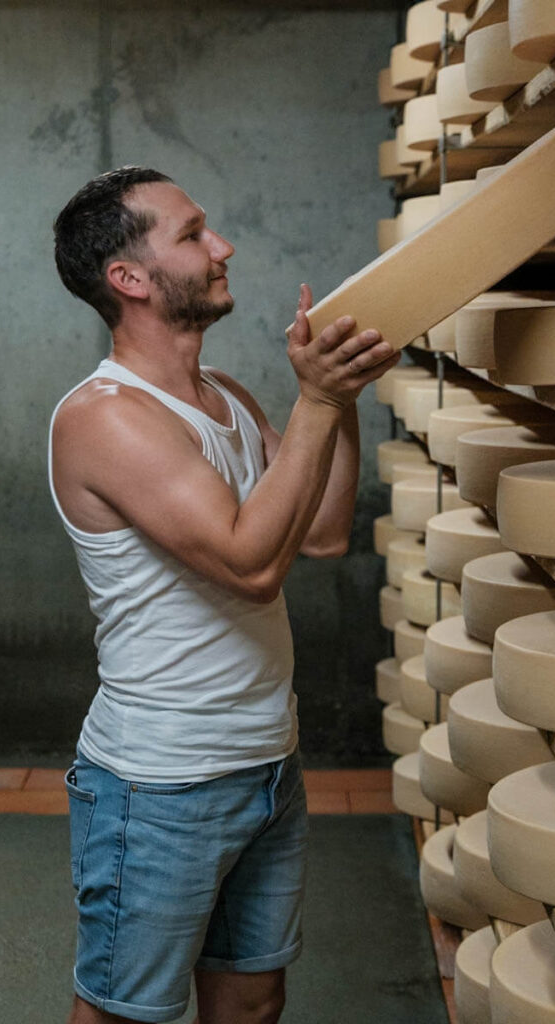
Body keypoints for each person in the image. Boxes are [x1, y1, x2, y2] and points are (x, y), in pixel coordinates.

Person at [49, 166, 400, 1024]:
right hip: (160, 781)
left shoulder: (228, 398)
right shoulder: (104, 418)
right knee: (126, 1011)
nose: (222, 246)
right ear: (128, 279)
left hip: (266, 760)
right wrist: (315, 398)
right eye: (194, 233)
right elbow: (251, 563)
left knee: (251, 999)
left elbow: (316, 531)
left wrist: (339, 398)